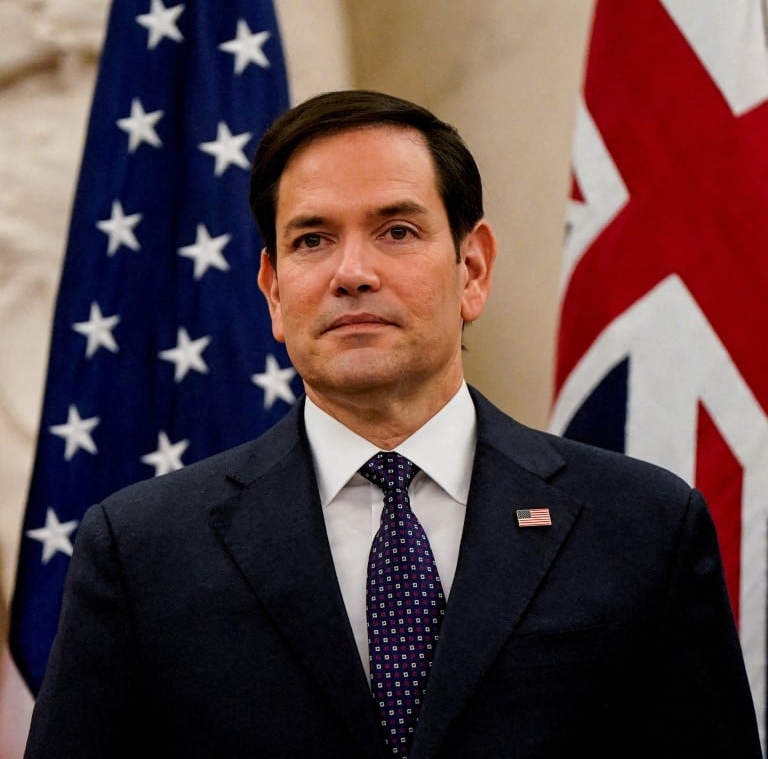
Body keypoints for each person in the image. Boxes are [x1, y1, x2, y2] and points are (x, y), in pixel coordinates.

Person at [24, 90, 761, 759]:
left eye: (397, 231)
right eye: (311, 239)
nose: (352, 272)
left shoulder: (641, 527)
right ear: (274, 292)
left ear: (472, 269)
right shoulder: (143, 550)